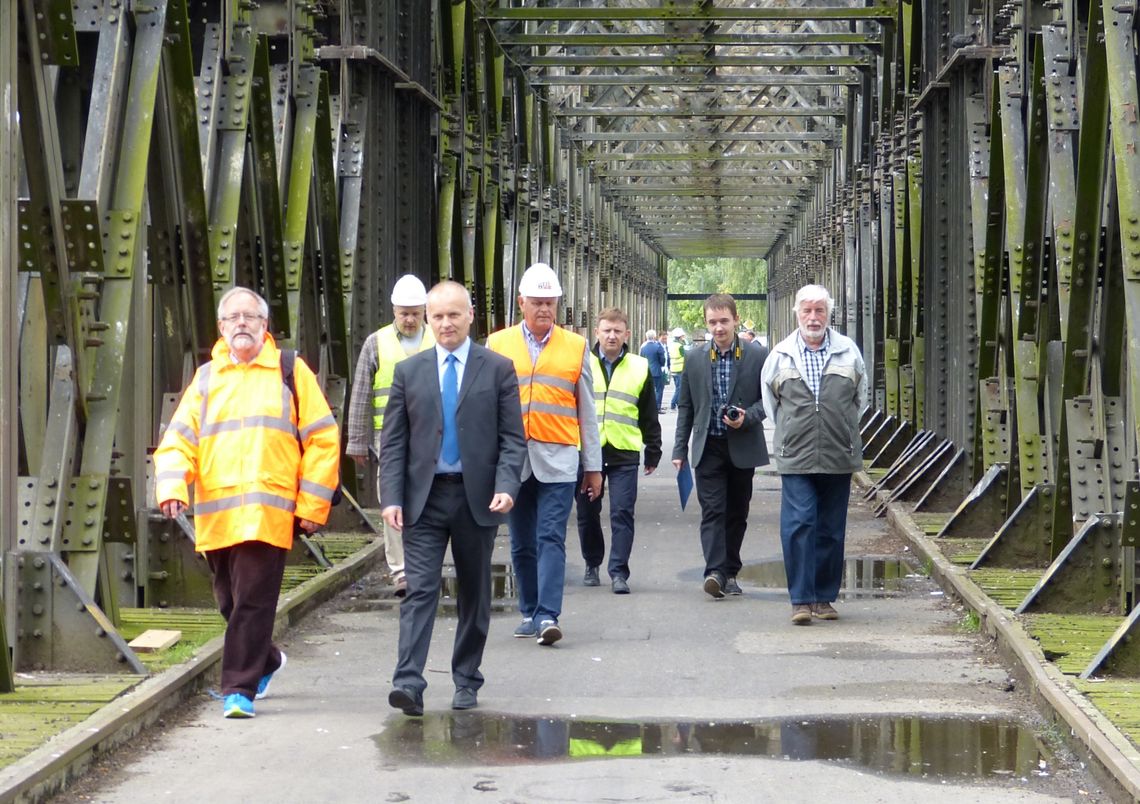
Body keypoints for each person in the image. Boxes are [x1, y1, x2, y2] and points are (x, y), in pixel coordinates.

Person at [155, 287, 340, 718]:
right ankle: (267, 660)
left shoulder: (290, 371)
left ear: (264, 326)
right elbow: (177, 442)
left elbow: (323, 438)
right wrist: (172, 487)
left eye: (250, 316)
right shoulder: (206, 379)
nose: (241, 323)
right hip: (217, 516)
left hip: (268, 515)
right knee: (230, 603)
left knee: (253, 602)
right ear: (220, 328)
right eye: (232, 317)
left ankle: (239, 690)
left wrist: (311, 507)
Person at [380, 281, 526, 715]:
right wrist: (391, 497)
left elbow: (513, 439)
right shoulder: (409, 372)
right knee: (420, 590)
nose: (445, 323)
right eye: (437, 316)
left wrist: (506, 486)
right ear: (428, 318)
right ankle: (408, 682)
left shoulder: (497, 369)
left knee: (474, 594)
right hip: (423, 500)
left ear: (469, 316)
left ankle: (466, 679)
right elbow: (393, 443)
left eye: (453, 315)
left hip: (476, 499)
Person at [487, 262, 603, 646]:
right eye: (537, 302)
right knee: (520, 540)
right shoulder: (497, 344)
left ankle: (548, 614)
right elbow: (484, 407)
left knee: (551, 535)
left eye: (550, 303)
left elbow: (587, 410)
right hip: (513, 462)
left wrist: (593, 466)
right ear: (521, 303)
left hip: (559, 459)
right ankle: (529, 610)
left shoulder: (576, 346)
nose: (544, 310)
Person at [761, 284, 867, 625]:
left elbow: (859, 401)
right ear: (796, 313)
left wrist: (840, 428)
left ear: (829, 313)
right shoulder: (780, 354)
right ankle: (801, 600)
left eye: (819, 310)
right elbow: (772, 404)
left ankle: (824, 598)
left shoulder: (848, 351)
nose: (813, 316)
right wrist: (794, 430)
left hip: (838, 452)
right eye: (807, 310)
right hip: (796, 453)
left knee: (831, 528)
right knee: (799, 523)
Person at [671, 294, 769, 599]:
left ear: (736, 320)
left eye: (724, 321)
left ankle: (730, 572)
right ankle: (714, 571)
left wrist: (747, 417)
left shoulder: (756, 356)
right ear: (706, 323)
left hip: (742, 444)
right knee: (712, 509)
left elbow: (768, 400)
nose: (718, 328)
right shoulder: (694, 357)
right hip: (709, 445)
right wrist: (678, 450)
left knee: (737, 512)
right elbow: (685, 406)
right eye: (712, 322)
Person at [346, 274, 435, 598]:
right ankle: (401, 572)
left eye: (415, 312)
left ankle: (423, 565)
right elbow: (361, 393)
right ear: (394, 311)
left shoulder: (437, 338)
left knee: (429, 502)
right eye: (403, 313)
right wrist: (357, 440)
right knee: (392, 501)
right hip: (390, 438)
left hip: (431, 437)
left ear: (424, 310)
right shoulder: (377, 342)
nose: (409, 319)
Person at [577, 308, 662, 594]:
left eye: (617, 331)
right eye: (606, 330)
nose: (612, 336)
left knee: (622, 512)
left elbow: (648, 412)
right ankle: (592, 562)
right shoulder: (583, 362)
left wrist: (653, 450)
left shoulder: (639, 367)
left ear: (627, 334)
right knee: (588, 512)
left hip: (624, 451)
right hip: (589, 451)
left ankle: (618, 572)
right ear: (597, 333)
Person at [639, 328, 668, 412]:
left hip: (646, 371)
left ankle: (649, 407)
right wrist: (661, 365)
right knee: (659, 390)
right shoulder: (658, 346)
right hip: (657, 371)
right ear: (654, 337)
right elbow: (662, 359)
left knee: (648, 390)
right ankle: (657, 407)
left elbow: (641, 358)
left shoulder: (643, 347)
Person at [667, 327, 686, 410]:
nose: (683, 337)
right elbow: (685, 355)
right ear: (679, 337)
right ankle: (673, 403)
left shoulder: (672, 345)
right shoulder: (679, 346)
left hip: (673, 368)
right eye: (682, 336)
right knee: (680, 388)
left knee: (677, 387)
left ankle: (678, 403)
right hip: (680, 369)